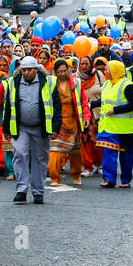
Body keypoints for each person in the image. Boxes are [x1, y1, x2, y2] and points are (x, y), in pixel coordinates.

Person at [5, 56, 49, 204]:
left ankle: (38, 192)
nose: (27, 72)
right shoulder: (13, 83)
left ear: (36, 69)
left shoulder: (48, 82)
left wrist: (55, 127)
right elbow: (8, 106)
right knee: (20, 155)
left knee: (40, 159)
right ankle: (21, 190)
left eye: (30, 69)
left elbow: (56, 105)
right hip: (21, 126)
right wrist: (6, 127)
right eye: (24, 70)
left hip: (40, 127)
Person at [97, 59, 133, 189]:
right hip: (108, 126)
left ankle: (125, 180)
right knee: (108, 153)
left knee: (126, 155)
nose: (105, 72)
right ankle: (109, 179)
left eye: (107, 69)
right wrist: (90, 105)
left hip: (125, 129)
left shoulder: (128, 85)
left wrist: (115, 110)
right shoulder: (106, 84)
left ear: (115, 70)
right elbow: (104, 101)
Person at [46, 58, 86, 187]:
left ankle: (76, 175)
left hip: (73, 122)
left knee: (75, 151)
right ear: (55, 72)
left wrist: (85, 116)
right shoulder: (51, 83)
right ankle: (54, 178)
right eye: (59, 71)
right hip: (57, 123)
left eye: (65, 70)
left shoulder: (76, 83)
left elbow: (83, 102)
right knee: (55, 151)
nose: (63, 73)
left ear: (69, 69)